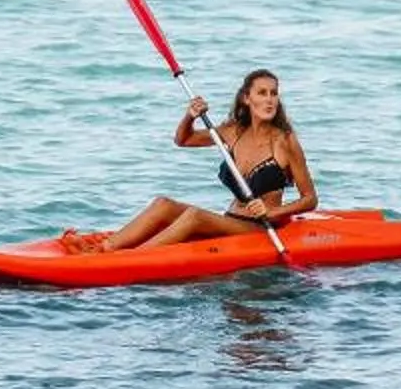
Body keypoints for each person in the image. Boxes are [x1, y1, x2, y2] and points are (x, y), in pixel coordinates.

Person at [64, 69, 316, 253]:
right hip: (231, 219)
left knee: (195, 215)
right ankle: (106, 248)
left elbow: (309, 199)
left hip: (260, 228)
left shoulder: (285, 141)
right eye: (262, 93)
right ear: (246, 99)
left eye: (274, 93)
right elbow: (183, 140)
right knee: (163, 204)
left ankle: (131, 258)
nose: (270, 99)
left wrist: (272, 211)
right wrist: (190, 116)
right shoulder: (233, 131)